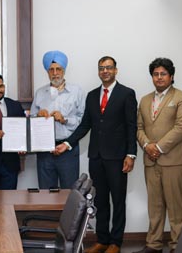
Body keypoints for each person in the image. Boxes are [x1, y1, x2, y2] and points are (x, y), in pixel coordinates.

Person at [57, 56, 137, 253]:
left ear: (115, 70)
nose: (105, 71)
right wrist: (67, 143)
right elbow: (86, 125)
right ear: (98, 71)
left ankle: (115, 243)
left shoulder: (126, 94)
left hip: (118, 157)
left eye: (109, 68)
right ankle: (102, 239)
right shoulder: (92, 95)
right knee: (99, 200)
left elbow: (131, 126)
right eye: (101, 68)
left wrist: (131, 154)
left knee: (117, 200)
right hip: (96, 157)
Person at [134, 58, 182, 253]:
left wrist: (157, 148)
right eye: (155, 74)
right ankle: (154, 244)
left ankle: (177, 246)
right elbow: (139, 127)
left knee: (176, 209)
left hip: (174, 161)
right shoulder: (144, 100)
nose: (159, 78)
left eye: (163, 74)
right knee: (155, 207)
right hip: (151, 162)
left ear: (171, 76)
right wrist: (146, 144)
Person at [30, 50, 85, 189]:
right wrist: (38, 117)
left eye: (58, 69)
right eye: (51, 70)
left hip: (67, 149)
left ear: (64, 71)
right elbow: (30, 122)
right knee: (46, 194)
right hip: (44, 152)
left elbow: (83, 121)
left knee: (69, 194)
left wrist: (64, 119)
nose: (55, 73)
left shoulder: (76, 91)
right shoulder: (40, 93)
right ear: (47, 72)